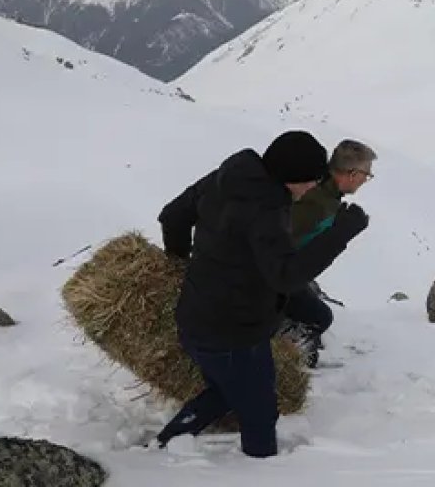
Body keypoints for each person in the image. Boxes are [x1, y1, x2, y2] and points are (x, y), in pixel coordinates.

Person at [153, 130, 369, 457]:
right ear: (290, 176)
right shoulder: (266, 212)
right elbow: (286, 275)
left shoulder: (228, 177)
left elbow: (173, 216)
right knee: (259, 415)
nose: (313, 187)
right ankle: (262, 471)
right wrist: (342, 232)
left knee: (227, 391)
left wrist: (183, 266)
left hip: (197, 316)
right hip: (234, 333)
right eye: (309, 180)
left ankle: (161, 445)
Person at [280, 139, 378, 367]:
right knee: (320, 317)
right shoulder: (318, 204)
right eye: (366, 174)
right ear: (351, 174)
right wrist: (340, 232)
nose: (366, 179)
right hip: (272, 275)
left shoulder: (321, 192)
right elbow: (295, 248)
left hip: (276, 268)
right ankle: (291, 356)